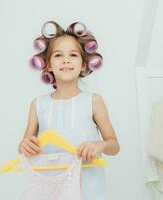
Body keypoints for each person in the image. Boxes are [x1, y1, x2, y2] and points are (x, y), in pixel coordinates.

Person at [18, 21, 120, 200]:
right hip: (49, 191)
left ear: (83, 65)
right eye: (58, 55)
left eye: (73, 55)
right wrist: (24, 146)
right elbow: (24, 145)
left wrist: (100, 145)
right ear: (48, 65)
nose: (66, 60)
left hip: (88, 190)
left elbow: (114, 146)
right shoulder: (38, 105)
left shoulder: (93, 101)